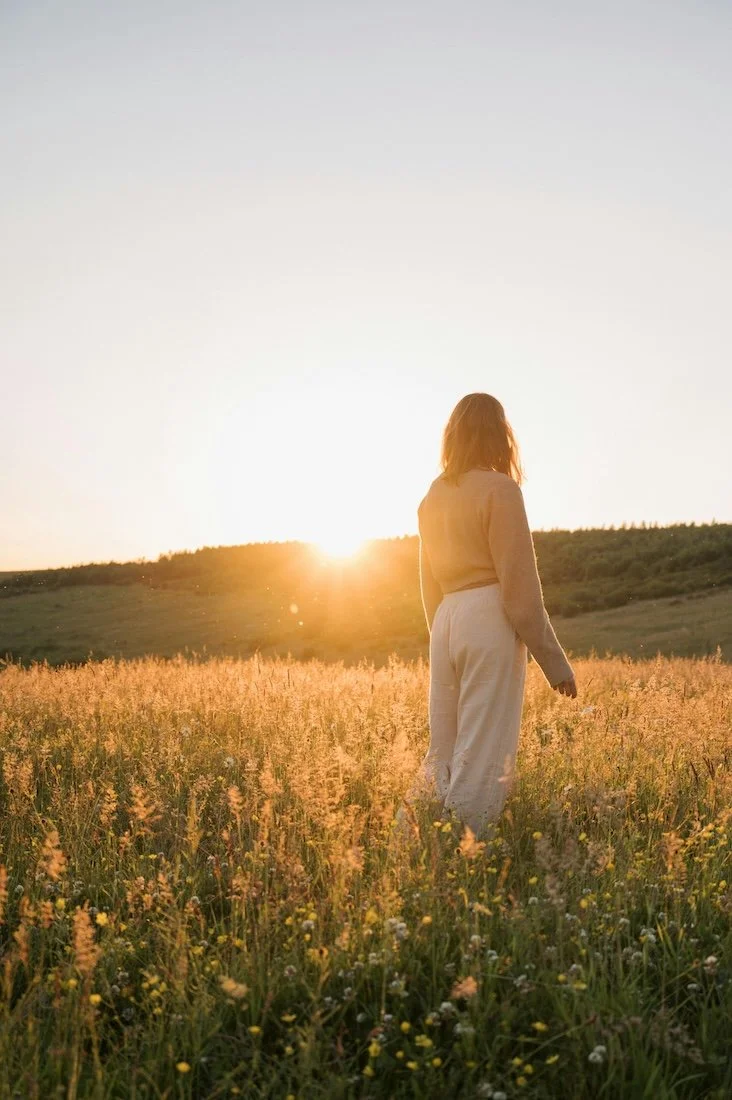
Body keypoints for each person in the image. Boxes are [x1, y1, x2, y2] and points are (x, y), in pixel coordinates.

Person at [410, 392, 577, 839]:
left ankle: (417, 837)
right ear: (499, 435)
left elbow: (428, 585)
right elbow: (520, 594)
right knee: (481, 746)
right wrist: (554, 663)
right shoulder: (501, 490)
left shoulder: (433, 495)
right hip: (487, 616)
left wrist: (442, 637)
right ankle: (464, 851)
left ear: (454, 434)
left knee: (443, 745)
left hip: (444, 620)